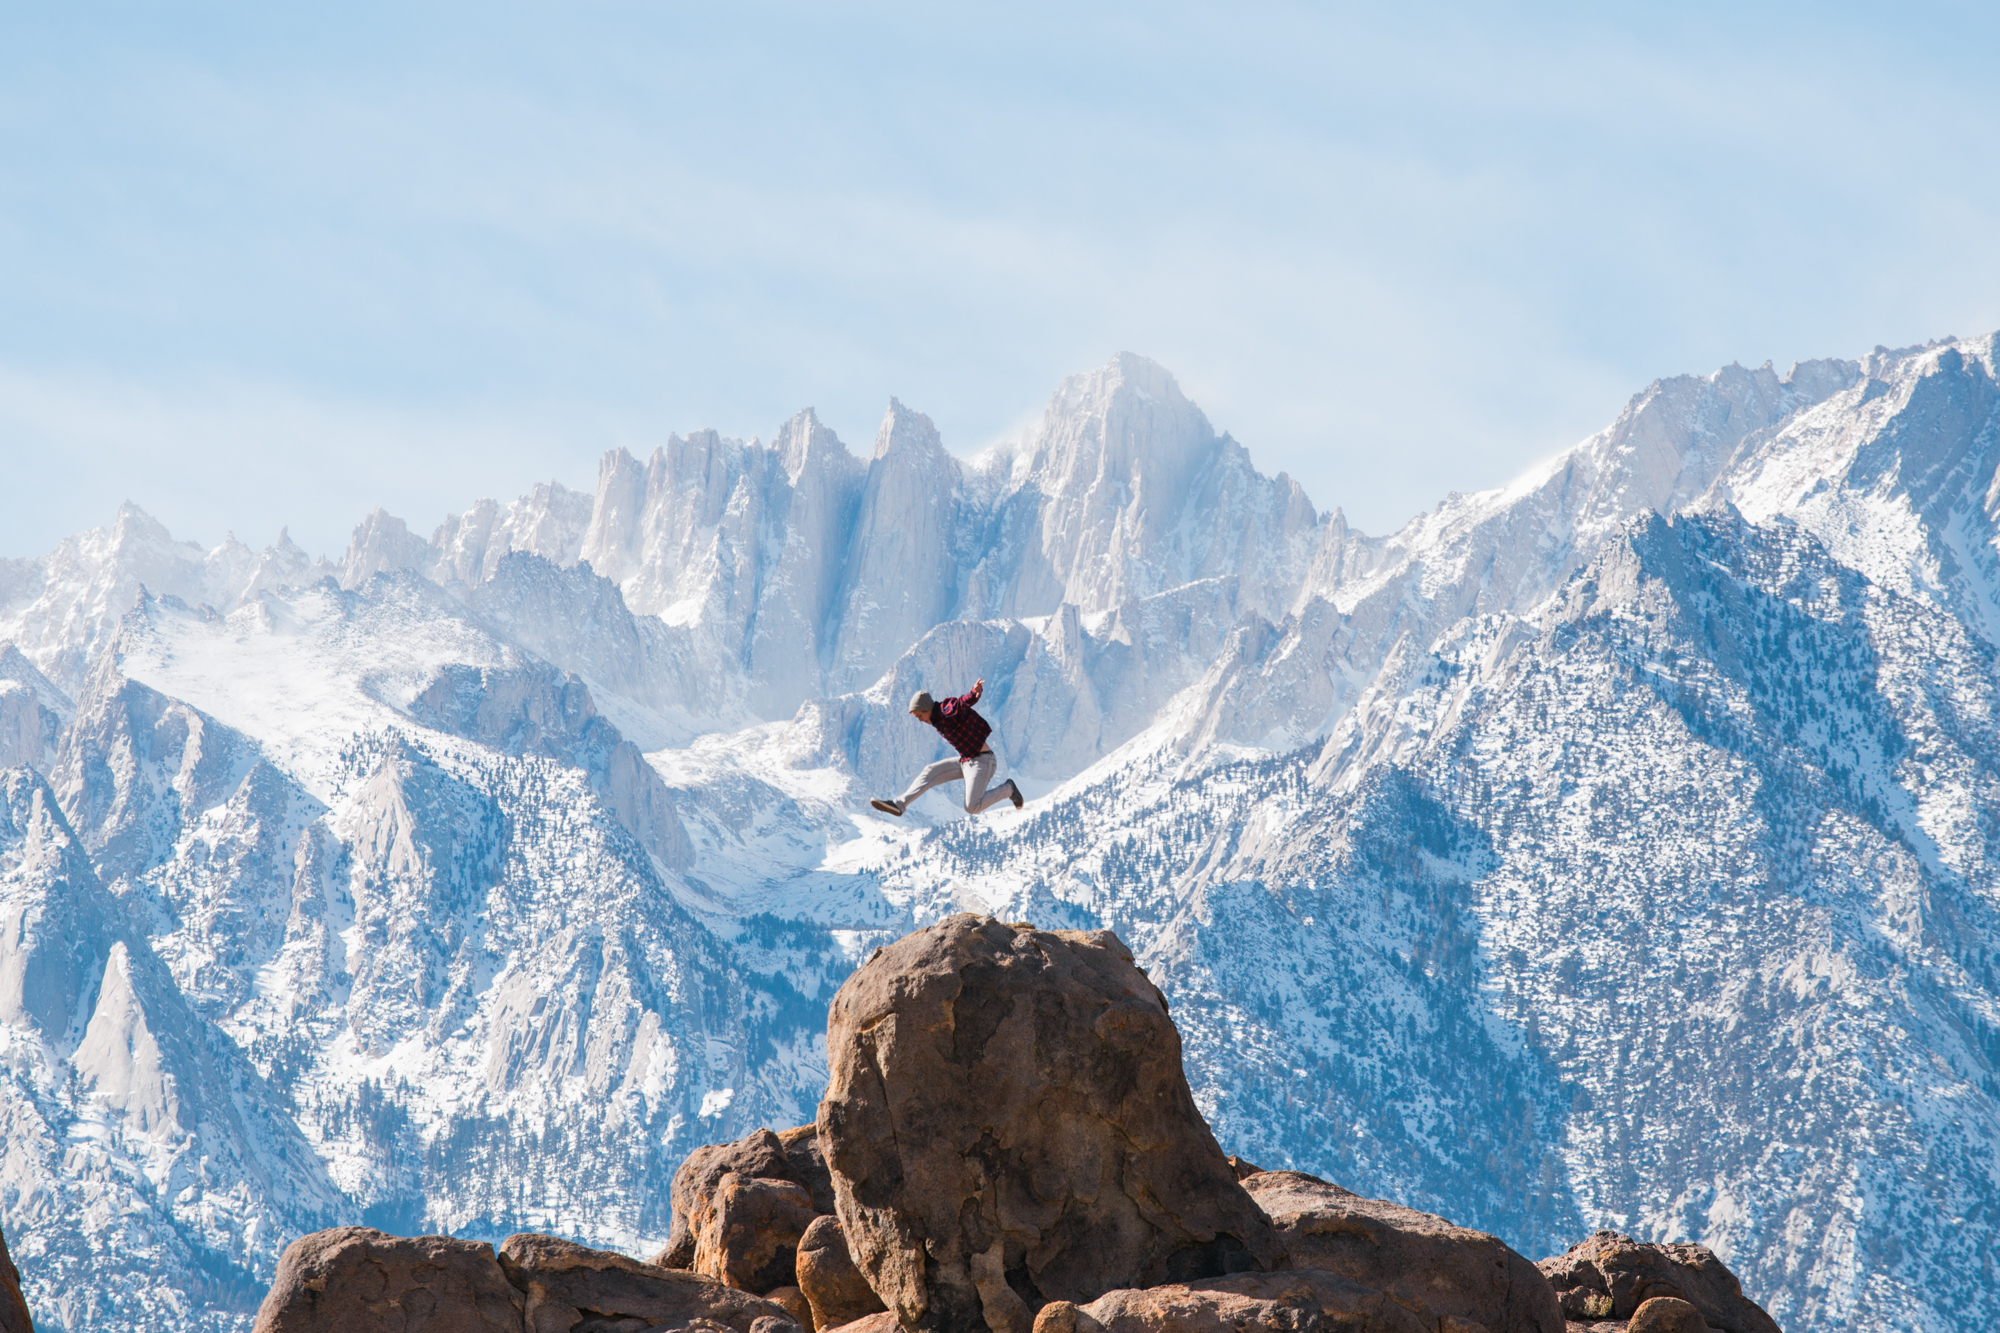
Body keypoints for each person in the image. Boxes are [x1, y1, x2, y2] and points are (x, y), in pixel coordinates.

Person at [871, 677, 1025, 817]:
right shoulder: (937, 718)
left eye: (919, 716)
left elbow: (959, 704)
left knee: (972, 807)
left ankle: (1008, 789)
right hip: (966, 761)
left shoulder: (944, 710)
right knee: (930, 771)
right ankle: (899, 804)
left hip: (983, 761)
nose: (919, 720)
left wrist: (973, 693)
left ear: (927, 709)